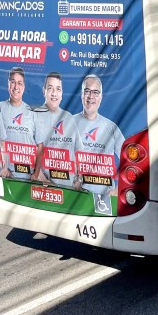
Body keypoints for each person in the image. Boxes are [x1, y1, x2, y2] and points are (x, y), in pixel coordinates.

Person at [73, 74, 125, 214]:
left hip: (103, 201)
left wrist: (119, 189)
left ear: (101, 97)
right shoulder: (69, 123)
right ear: (82, 95)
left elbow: (128, 160)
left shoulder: (110, 127)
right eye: (87, 91)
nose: (91, 96)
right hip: (74, 196)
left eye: (95, 92)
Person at [32, 72, 77, 187]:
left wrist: (77, 180)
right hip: (43, 186)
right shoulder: (34, 115)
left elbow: (78, 152)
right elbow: (29, 153)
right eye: (50, 88)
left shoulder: (68, 117)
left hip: (69, 188)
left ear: (61, 93)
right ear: (44, 91)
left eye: (58, 89)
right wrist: (43, 179)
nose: (54, 94)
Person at [0, 67, 37, 180]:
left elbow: (39, 146)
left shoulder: (31, 112)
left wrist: (35, 172)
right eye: (13, 82)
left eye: (19, 83)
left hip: (28, 176)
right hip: (7, 175)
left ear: (24, 87)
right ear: (8, 84)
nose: (16, 87)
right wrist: (4, 168)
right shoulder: (1, 107)